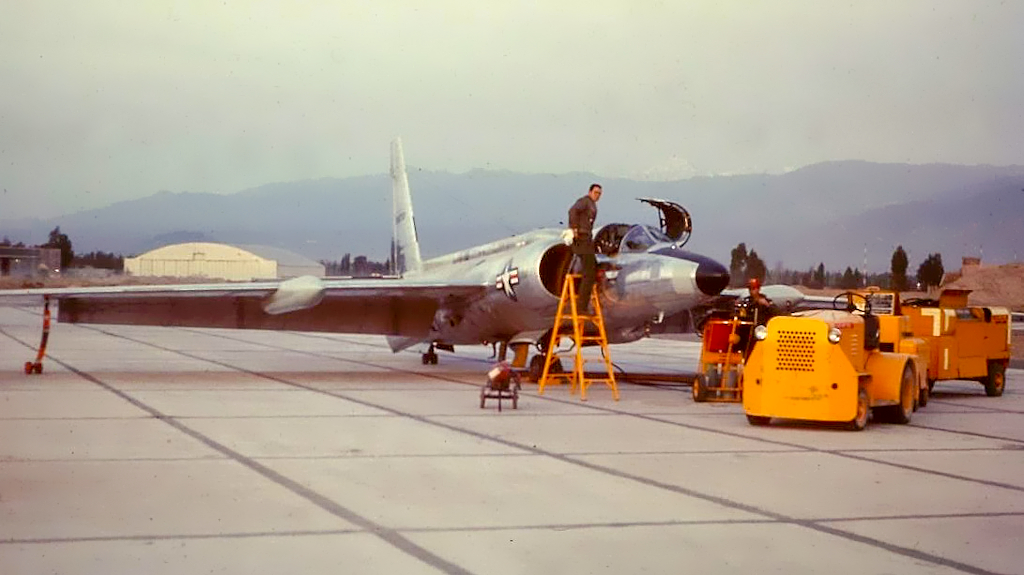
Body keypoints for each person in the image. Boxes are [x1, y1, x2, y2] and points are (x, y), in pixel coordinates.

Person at [567, 183, 602, 313]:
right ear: (590, 192)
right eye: (595, 192)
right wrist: (574, 228)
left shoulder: (591, 204)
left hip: (586, 239)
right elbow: (572, 211)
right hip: (581, 239)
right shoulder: (584, 202)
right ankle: (581, 307)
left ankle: (584, 304)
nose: (597, 195)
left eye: (599, 194)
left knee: (593, 268)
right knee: (589, 273)